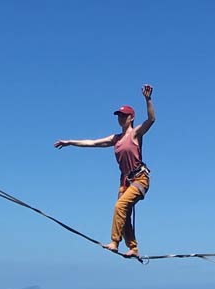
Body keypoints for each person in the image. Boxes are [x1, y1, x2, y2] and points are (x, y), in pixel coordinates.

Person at [54, 84, 155, 258]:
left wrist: (148, 99)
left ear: (131, 118)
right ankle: (133, 248)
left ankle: (114, 242)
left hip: (140, 179)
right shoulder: (115, 139)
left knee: (120, 207)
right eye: (119, 116)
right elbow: (93, 143)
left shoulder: (135, 134)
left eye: (124, 116)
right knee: (123, 215)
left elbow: (151, 119)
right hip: (125, 182)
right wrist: (70, 142)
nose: (120, 119)